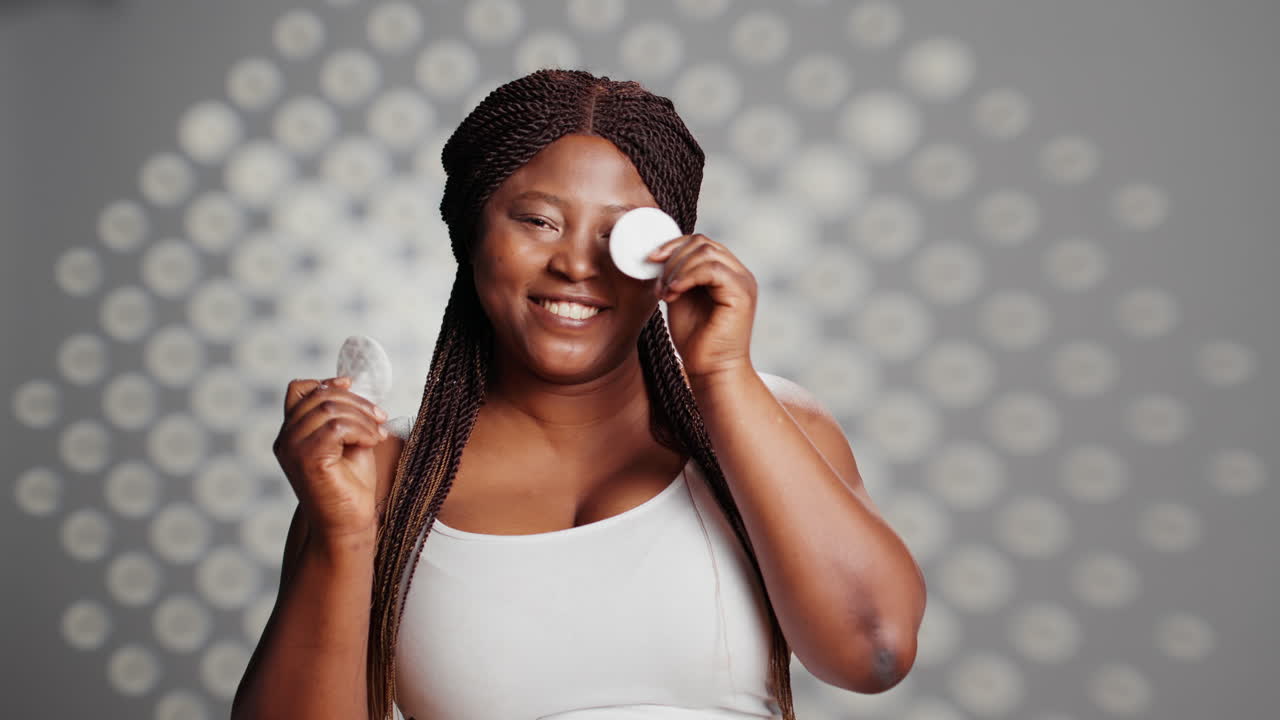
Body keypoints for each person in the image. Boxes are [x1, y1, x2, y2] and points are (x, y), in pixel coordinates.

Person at [232, 68, 926, 720]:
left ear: (669, 250)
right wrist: (344, 533)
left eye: (621, 232)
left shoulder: (767, 421)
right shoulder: (381, 477)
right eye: (539, 221)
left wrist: (722, 378)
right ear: (471, 230)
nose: (575, 264)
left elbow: (875, 651)